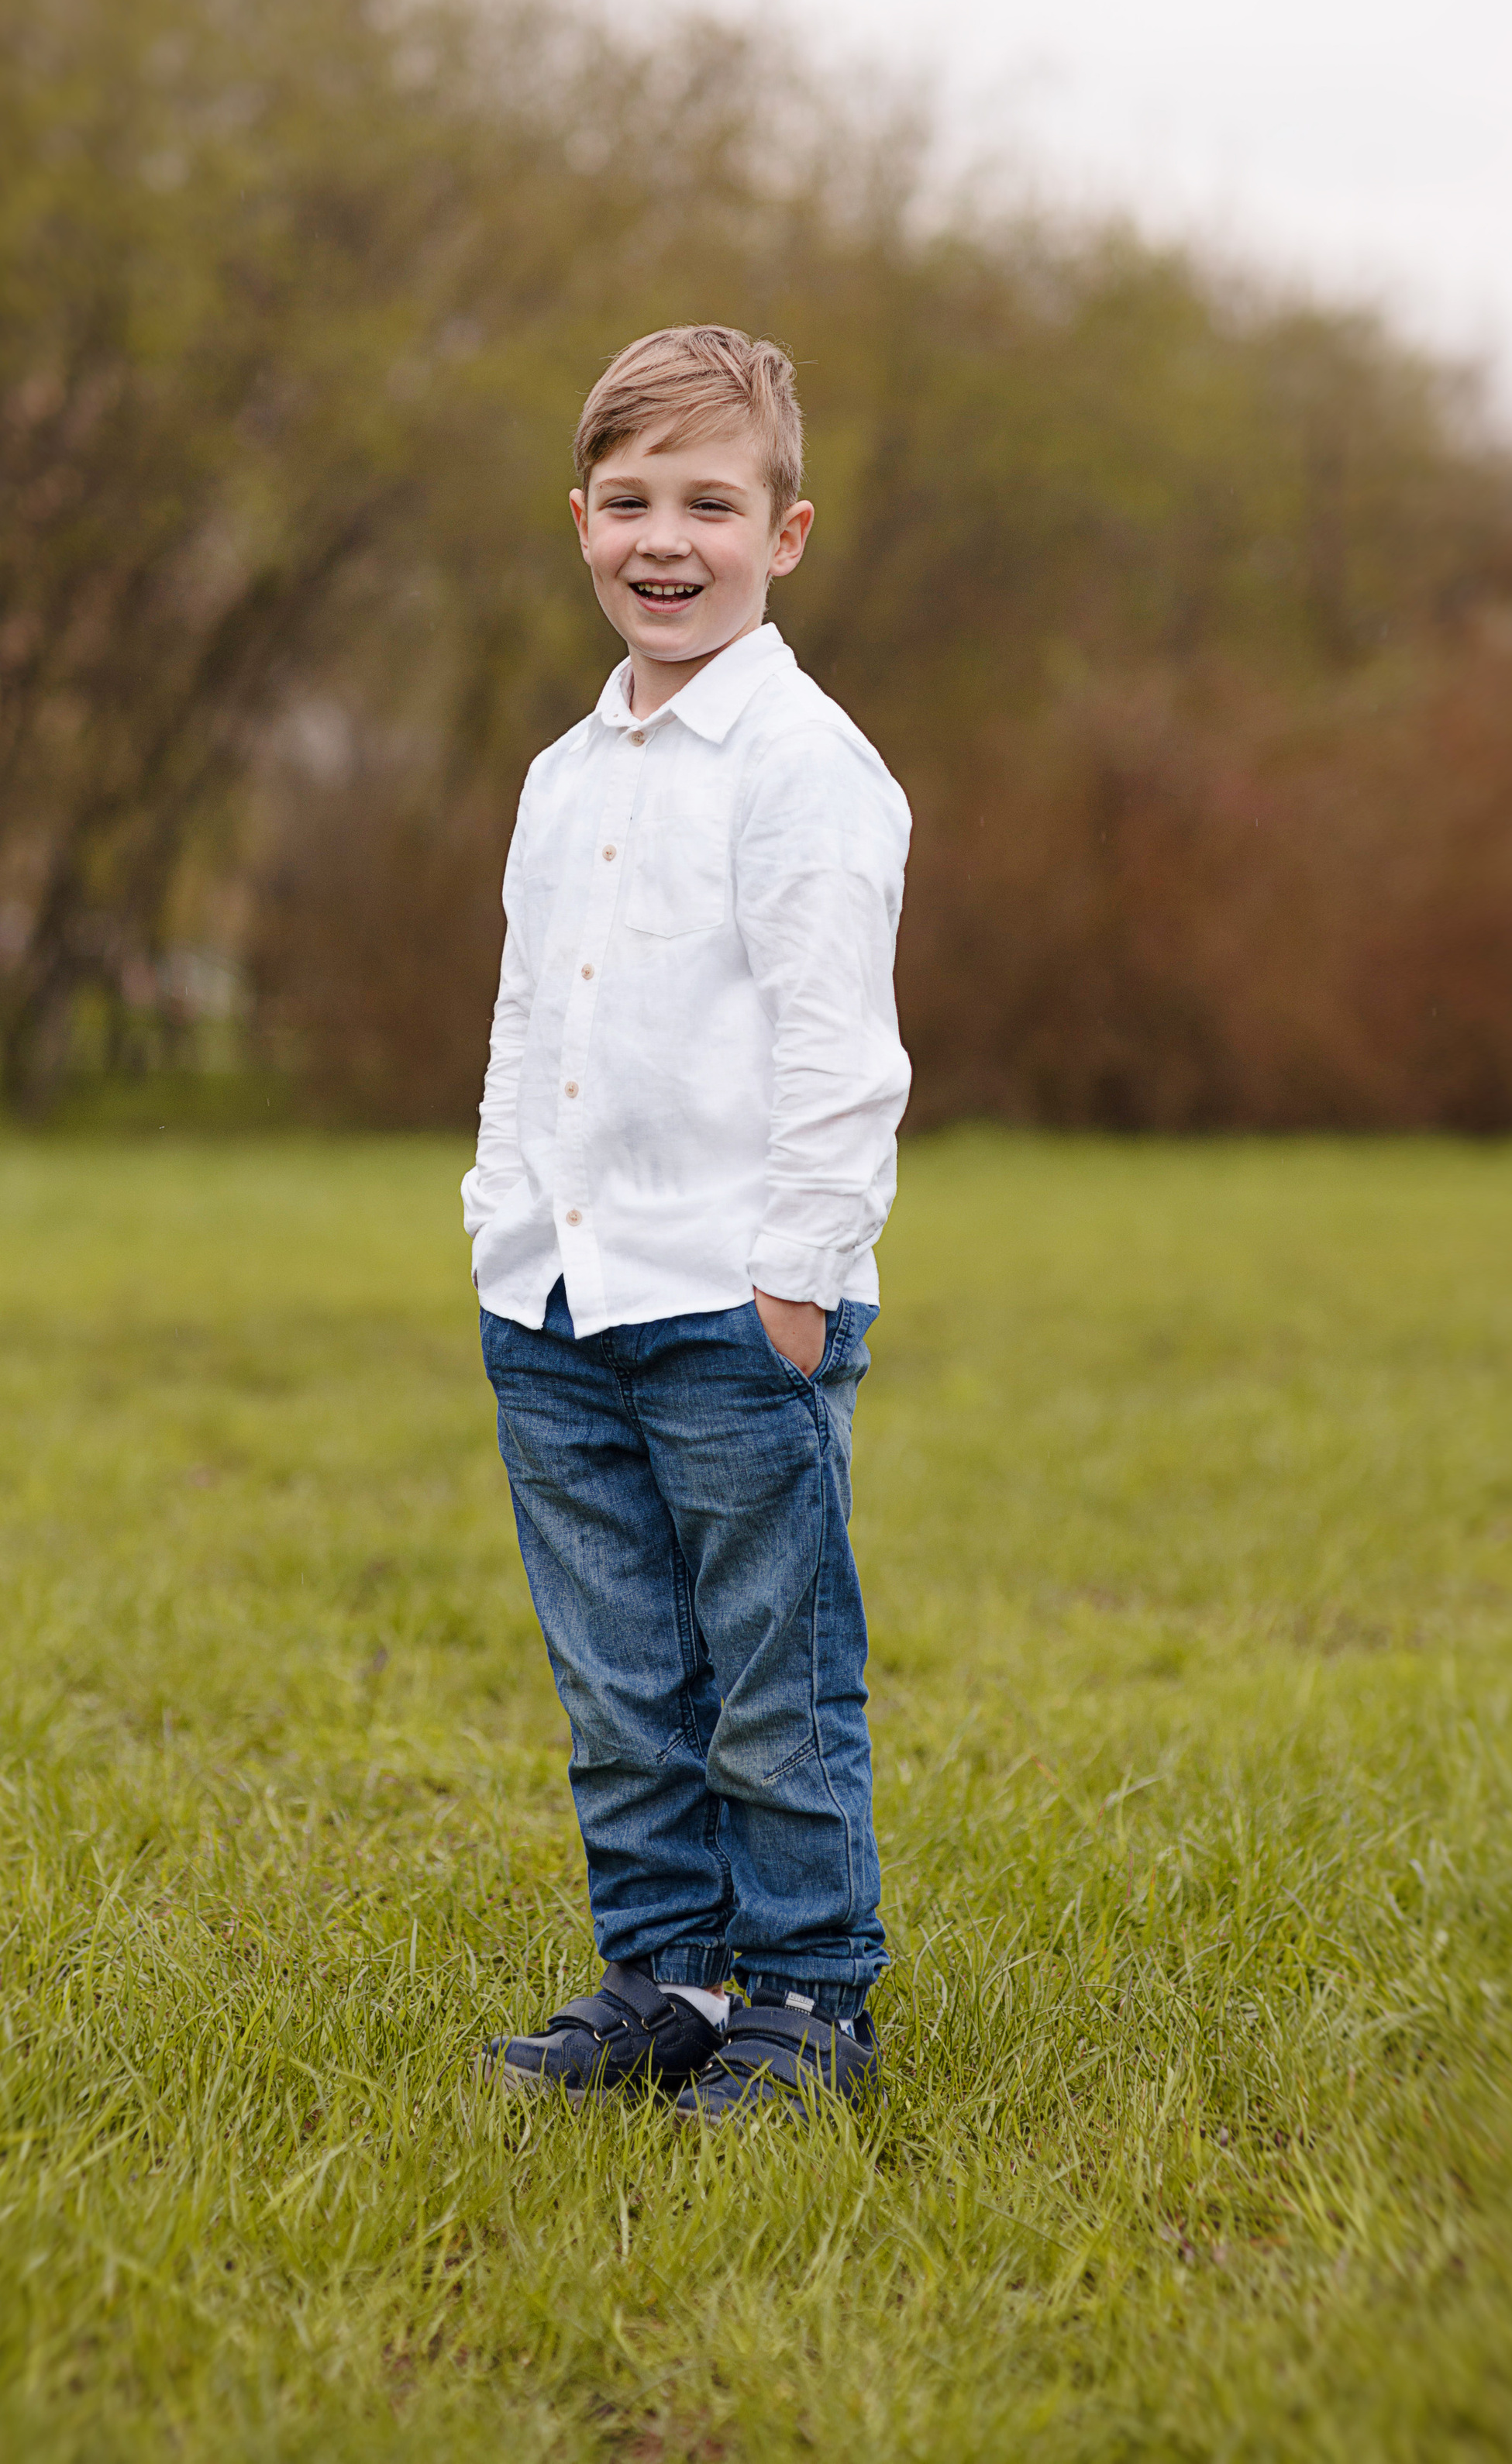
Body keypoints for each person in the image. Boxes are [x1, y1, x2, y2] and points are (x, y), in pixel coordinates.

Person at [463, 325, 913, 2120]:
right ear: (579, 520)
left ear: (782, 534)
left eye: (709, 503)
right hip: (558, 1305)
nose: (668, 539)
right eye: (631, 500)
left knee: (769, 1683)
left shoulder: (803, 769)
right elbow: (524, 1020)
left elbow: (838, 1050)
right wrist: (500, 1225)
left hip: (736, 1310)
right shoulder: (563, 773)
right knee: (618, 1684)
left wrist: (792, 1285)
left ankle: (808, 2002)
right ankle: (662, 1978)